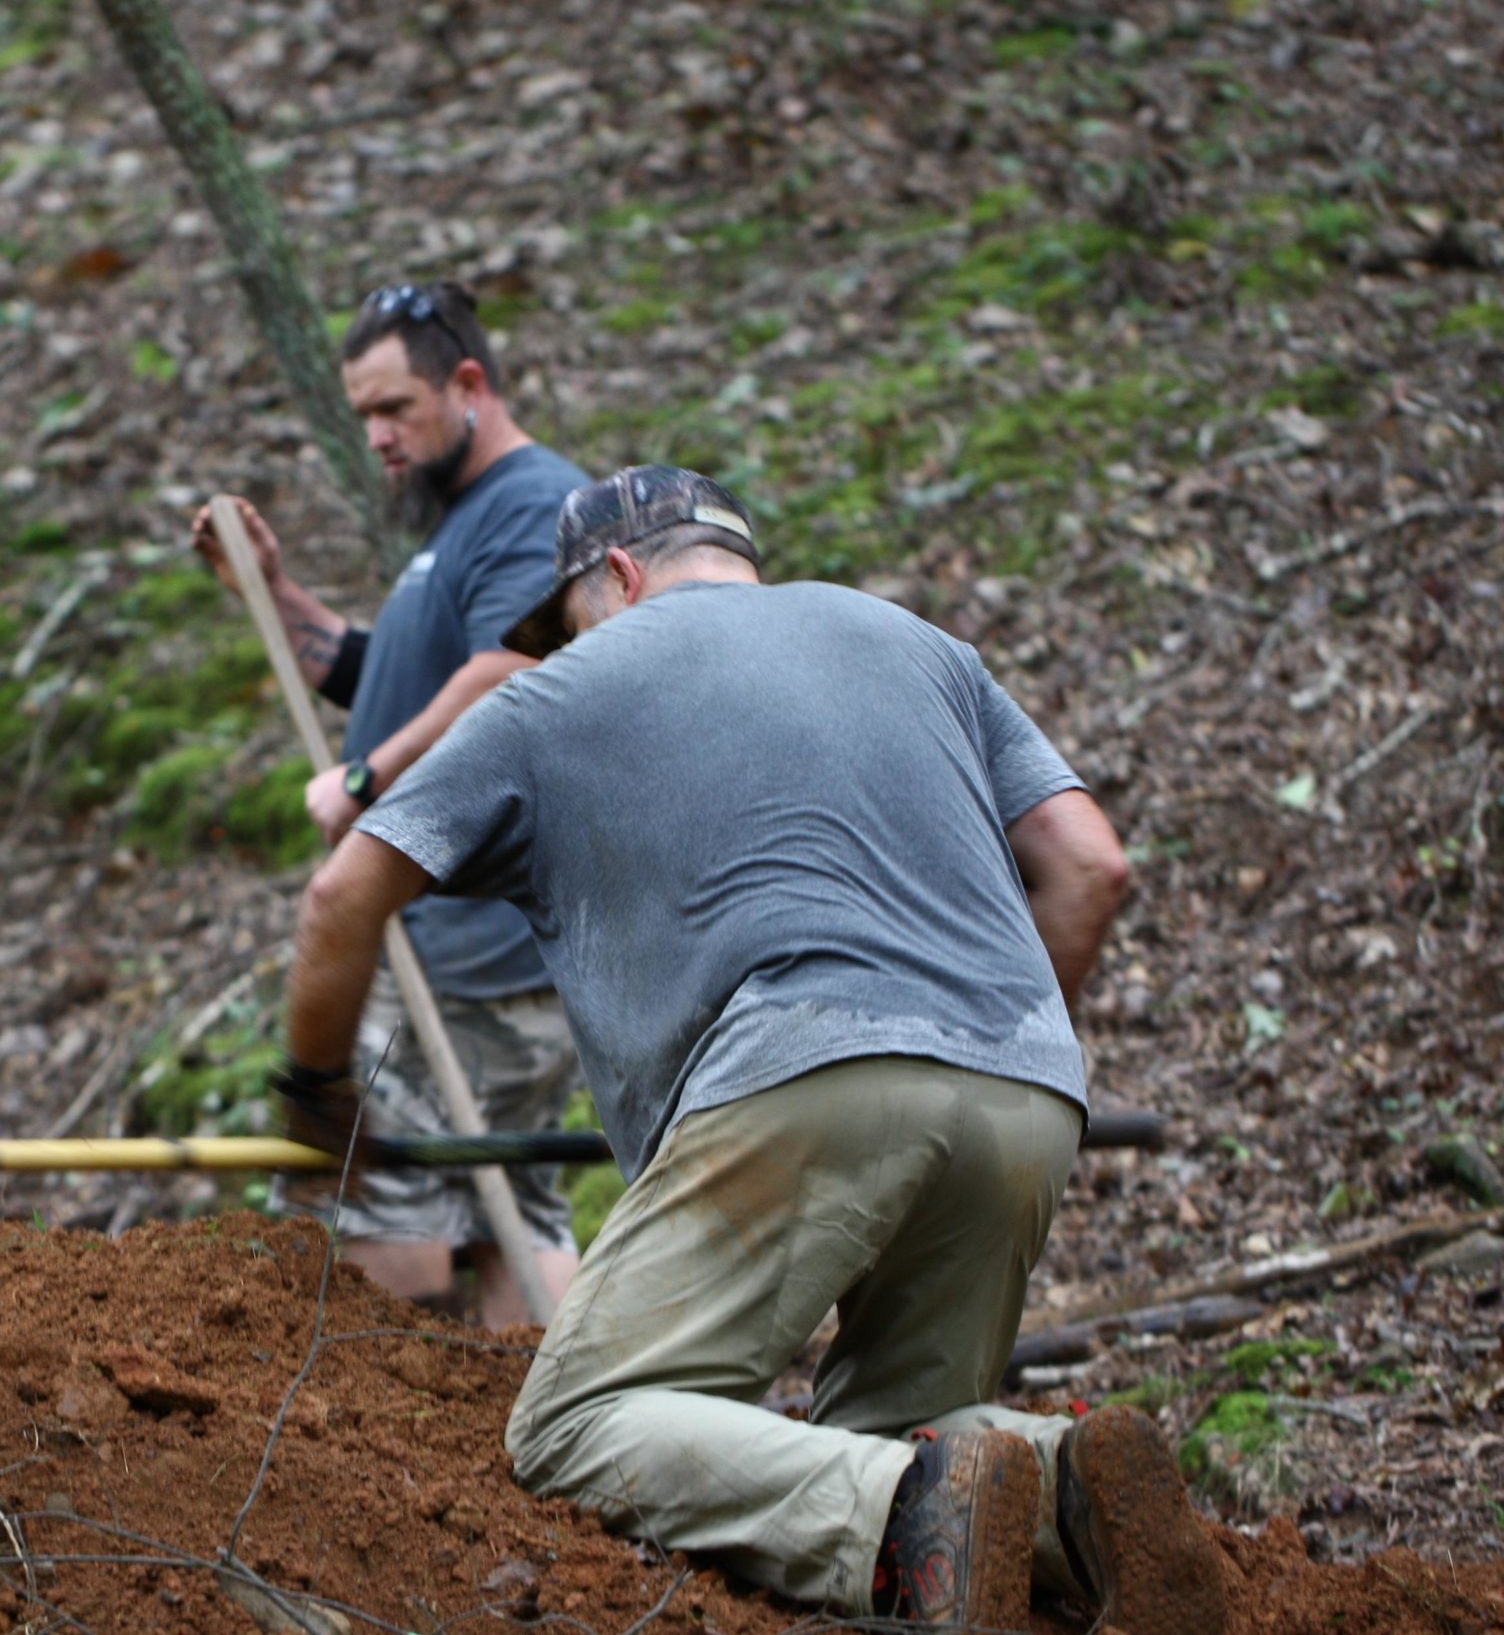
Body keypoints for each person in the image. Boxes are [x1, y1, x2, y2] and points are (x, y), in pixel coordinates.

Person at [271, 465, 1235, 1629]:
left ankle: (902, 1517)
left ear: (614, 578)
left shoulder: (553, 696)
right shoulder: (916, 646)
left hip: (800, 1061)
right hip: (1027, 1088)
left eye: (563, 618)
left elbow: (340, 900)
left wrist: (315, 1090)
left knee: (578, 1419)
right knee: (909, 1432)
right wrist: (980, 1039)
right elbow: (1091, 866)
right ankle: (1072, 1492)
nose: (557, 644)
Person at [189, 281, 585, 1326]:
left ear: (468, 385)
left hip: (462, 965)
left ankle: (394, 1467)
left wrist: (368, 780)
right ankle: (545, 1469)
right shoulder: (462, 529)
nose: (376, 436)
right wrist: (272, 596)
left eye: (393, 408)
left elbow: (514, 671)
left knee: (377, 1210)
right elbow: (389, 682)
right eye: (360, 414)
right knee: (512, 1209)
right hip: (493, 964)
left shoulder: (530, 503)